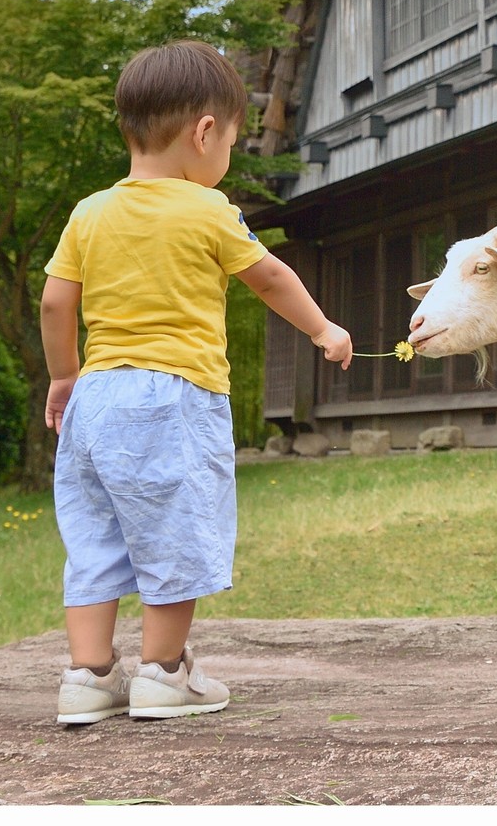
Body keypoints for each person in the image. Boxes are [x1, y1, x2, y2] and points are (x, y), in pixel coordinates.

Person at [40, 39, 352, 725]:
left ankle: (88, 679)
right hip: (174, 397)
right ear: (204, 133)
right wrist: (324, 329)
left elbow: (57, 302)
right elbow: (269, 276)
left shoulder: (89, 212)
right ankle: (163, 673)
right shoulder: (208, 210)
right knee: (174, 531)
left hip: (96, 399)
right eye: (232, 141)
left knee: (93, 536)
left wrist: (64, 375)